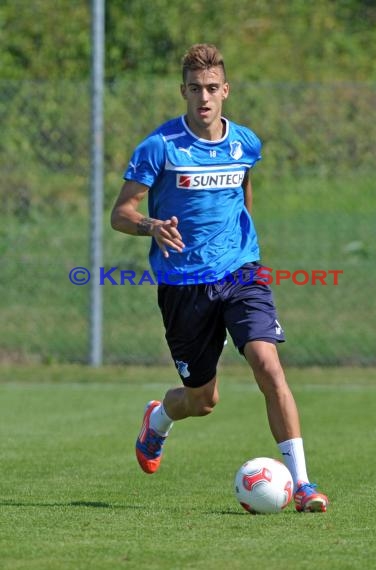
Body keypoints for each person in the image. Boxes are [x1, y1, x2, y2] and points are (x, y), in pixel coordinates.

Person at [111, 43, 328, 513]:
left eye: (212, 89)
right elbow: (121, 213)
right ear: (183, 92)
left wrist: (244, 238)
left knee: (268, 366)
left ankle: (304, 484)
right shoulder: (160, 147)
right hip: (183, 286)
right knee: (202, 400)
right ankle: (159, 418)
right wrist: (151, 225)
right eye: (194, 90)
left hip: (240, 273)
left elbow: (244, 181)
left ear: (225, 90)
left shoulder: (245, 141)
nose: (203, 98)